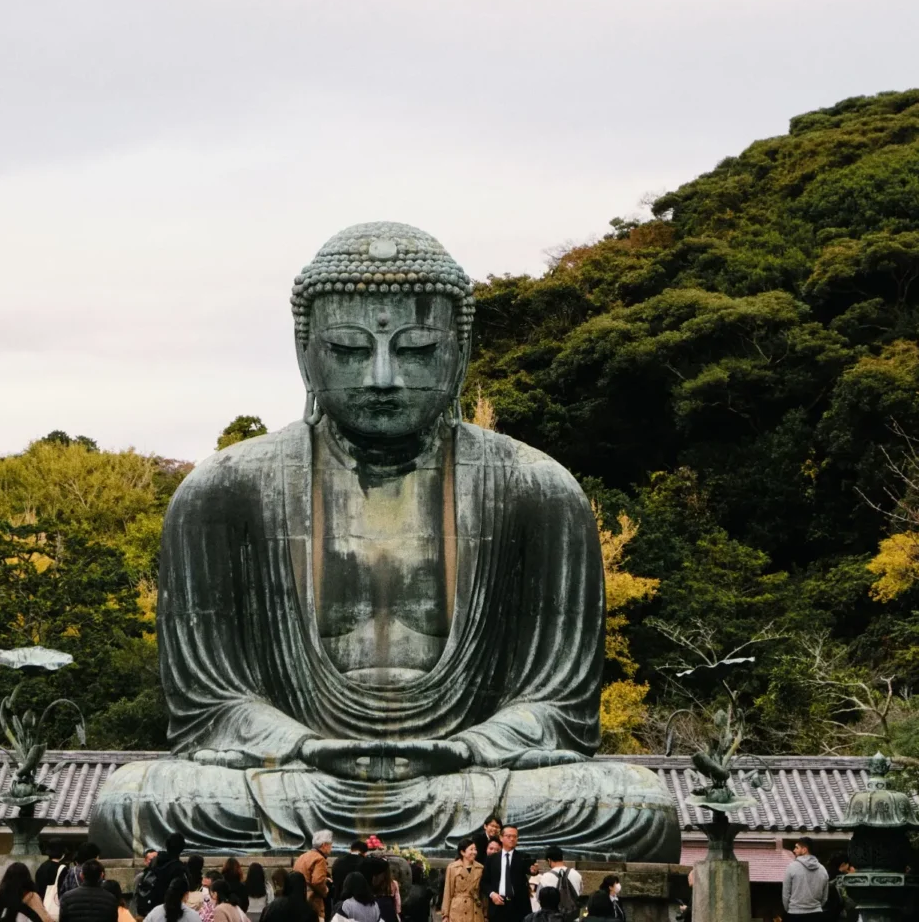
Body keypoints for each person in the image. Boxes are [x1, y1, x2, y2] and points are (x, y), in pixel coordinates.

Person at [89, 225, 679, 866]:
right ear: (304, 351)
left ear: (459, 351)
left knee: (633, 802)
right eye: (347, 349)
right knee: (134, 800)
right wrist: (304, 745)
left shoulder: (537, 491)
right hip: (296, 777)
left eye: (417, 349)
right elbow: (210, 707)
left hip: (470, 776)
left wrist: (471, 746)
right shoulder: (225, 491)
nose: (382, 377)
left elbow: (557, 707)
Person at [482, 827, 531, 922]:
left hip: (518, 906)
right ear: (501, 838)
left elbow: (530, 870)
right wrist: (492, 894)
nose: (512, 839)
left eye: (515, 836)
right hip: (498, 905)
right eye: (508, 836)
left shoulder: (523, 857)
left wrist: (534, 871)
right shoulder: (491, 859)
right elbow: (484, 882)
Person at [782, 838, 829, 919]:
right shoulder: (822, 869)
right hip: (816, 914)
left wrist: (789, 909)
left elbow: (786, 894)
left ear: (804, 850)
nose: (794, 850)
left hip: (795, 914)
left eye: (797, 847)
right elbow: (825, 897)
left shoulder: (791, 867)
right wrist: (816, 907)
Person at [532, 848, 580, 922]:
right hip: (574, 917)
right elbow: (579, 892)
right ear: (562, 858)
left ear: (549, 860)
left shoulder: (546, 877)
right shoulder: (576, 874)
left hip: (554, 918)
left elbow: (539, 898)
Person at [293, 831, 332, 922]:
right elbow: (317, 881)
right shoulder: (319, 859)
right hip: (313, 904)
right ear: (324, 845)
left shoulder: (302, 856)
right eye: (330, 845)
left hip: (299, 901)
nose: (331, 848)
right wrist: (326, 890)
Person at [441, 838, 484, 922]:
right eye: (471, 849)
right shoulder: (452, 867)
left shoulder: (480, 868)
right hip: (458, 909)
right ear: (462, 852)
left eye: (475, 849)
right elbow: (448, 891)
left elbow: (483, 894)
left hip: (475, 908)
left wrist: (485, 914)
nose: (474, 852)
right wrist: (445, 915)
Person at [146, 834, 189, 914]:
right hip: (170, 910)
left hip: (152, 907)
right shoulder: (179, 868)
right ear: (182, 848)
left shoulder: (155, 862)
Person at [331, 843, 368, 909]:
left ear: (351, 850)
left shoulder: (338, 861)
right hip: (359, 904)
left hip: (339, 902)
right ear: (365, 853)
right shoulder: (365, 862)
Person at [133, 851, 159, 918]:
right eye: (150, 860)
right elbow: (135, 896)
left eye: (155, 859)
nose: (153, 862)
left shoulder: (161, 876)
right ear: (145, 861)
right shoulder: (140, 877)